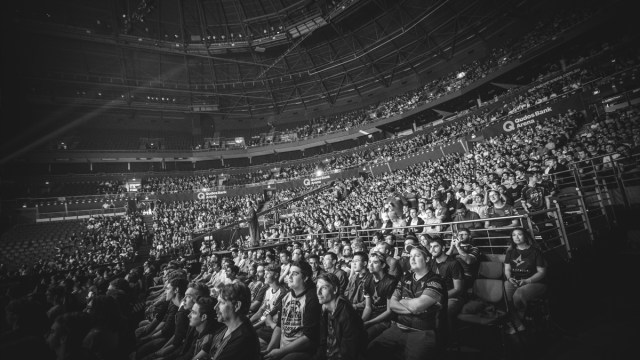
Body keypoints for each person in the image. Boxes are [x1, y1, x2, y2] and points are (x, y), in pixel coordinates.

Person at [367, 244, 446, 360]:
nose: (412, 259)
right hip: (398, 328)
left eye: (417, 256)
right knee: (371, 350)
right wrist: (414, 306)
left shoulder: (436, 280)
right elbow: (393, 305)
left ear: (427, 259)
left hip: (422, 331)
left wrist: (403, 301)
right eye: (410, 256)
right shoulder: (406, 278)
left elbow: (417, 306)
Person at [263, 261, 321, 360]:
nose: (289, 276)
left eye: (295, 274)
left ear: (305, 278)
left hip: (302, 351)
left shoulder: (312, 299)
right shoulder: (286, 296)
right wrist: (269, 350)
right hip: (283, 349)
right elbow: (279, 326)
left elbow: (308, 338)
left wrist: (281, 352)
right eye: (289, 273)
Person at [504, 228, 548, 335]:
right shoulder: (510, 252)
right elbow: (507, 269)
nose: (517, 237)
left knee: (518, 296)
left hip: (535, 282)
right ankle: (519, 324)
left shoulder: (535, 251)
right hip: (515, 280)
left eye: (519, 234)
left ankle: (519, 317)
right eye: (514, 235)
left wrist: (527, 281)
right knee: (505, 296)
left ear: (526, 236)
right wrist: (509, 278)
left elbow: (542, 272)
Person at [315, 273, 368, 360]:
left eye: (324, 288)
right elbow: (323, 342)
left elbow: (349, 353)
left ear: (335, 290)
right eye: (317, 287)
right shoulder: (324, 309)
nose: (318, 292)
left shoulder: (347, 315)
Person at [427, 237, 465, 347]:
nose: (432, 249)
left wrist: (440, 297)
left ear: (443, 248)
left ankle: (449, 342)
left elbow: (458, 289)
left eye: (436, 246)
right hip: (436, 296)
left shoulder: (453, 263)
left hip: (453, 298)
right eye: (431, 247)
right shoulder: (432, 262)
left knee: (443, 311)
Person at [208, 282, 261, 360]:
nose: (215, 307)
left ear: (236, 306)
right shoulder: (226, 328)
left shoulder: (243, 341)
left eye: (222, 303)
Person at [362, 251, 398, 341]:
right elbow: (368, 307)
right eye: (370, 262)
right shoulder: (367, 279)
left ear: (383, 265)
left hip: (386, 319)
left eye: (375, 262)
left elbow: (389, 311)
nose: (370, 265)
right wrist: (362, 321)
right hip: (373, 315)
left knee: (366, 336)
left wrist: (369, 323)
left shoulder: (391, 282)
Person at [250, 264, 286, 348]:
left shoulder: (282, 293)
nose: (265, 275)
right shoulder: (268, 290)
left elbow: (271, 316)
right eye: (265, 273)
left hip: (269, 326)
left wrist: (253, 326)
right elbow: (261, 311)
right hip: (261, 322)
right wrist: (248, 322)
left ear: (276, 275)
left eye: (268, 273)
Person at [345, 252, 372, 316]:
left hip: (361, 311)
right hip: (349, 308)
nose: (354, 263)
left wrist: (355, 306)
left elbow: (370, 301)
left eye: (356, 261)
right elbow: (346, 292)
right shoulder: (353, 277)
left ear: (365, 263)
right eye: (353, 261)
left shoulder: (371, 278)